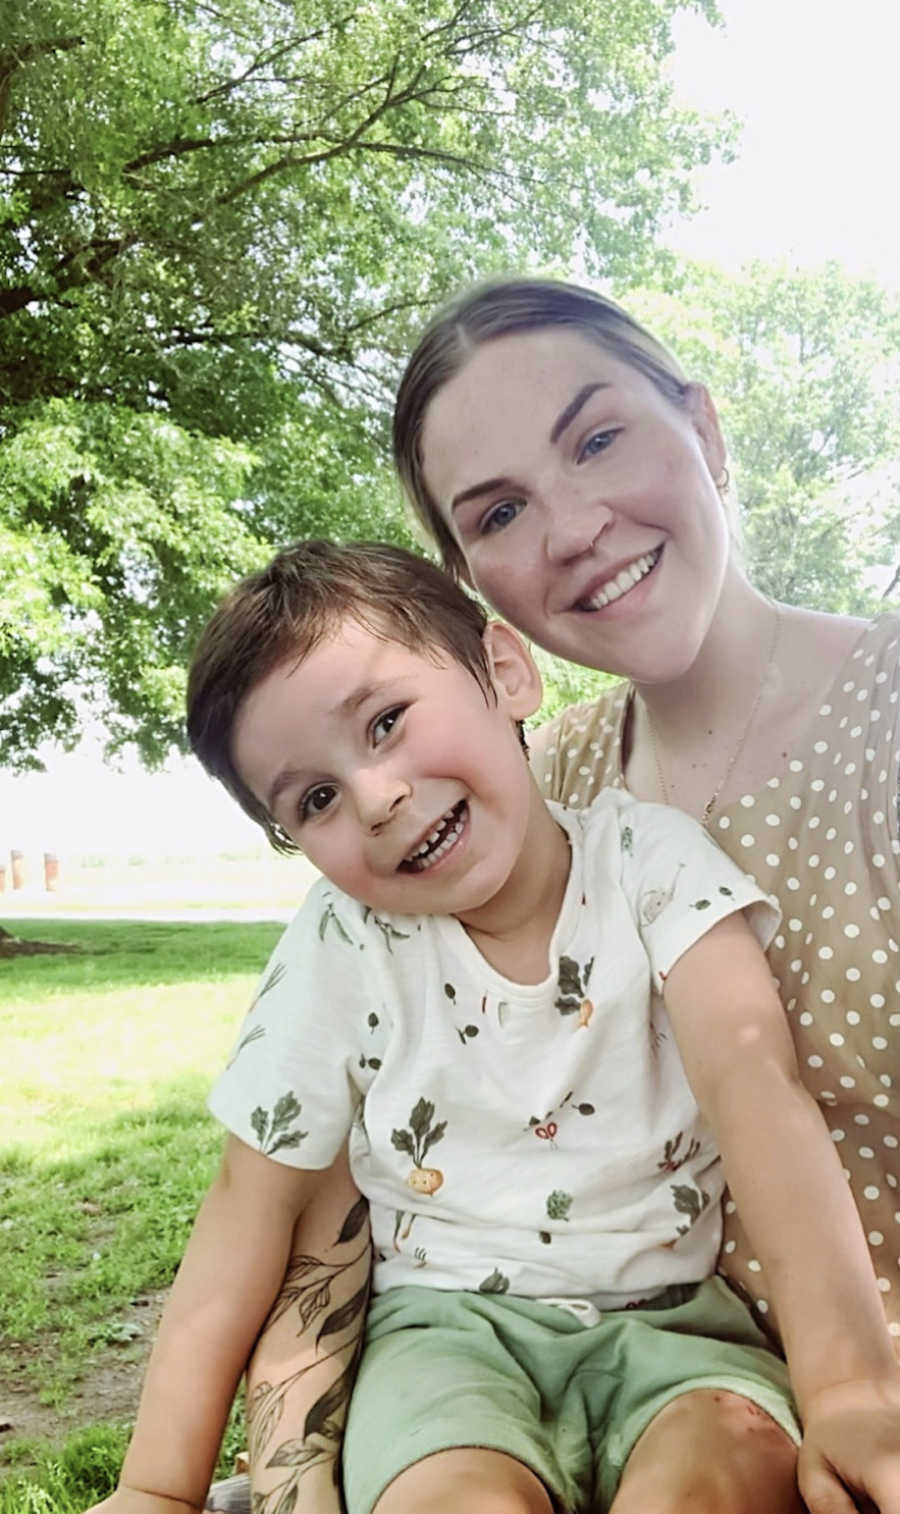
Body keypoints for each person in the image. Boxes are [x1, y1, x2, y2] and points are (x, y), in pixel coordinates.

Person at [93, 538, 900, 1514]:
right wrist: (155, 1485)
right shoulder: (345, 941)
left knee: (719, 1479)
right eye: (315, 798)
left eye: (386, 721)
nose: (377, 796)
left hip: (683, 1334)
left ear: (505, 671)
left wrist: (851, 1388)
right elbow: (245, 1204)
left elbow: (753, 1084)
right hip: (444, 1345)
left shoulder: (655, 864)